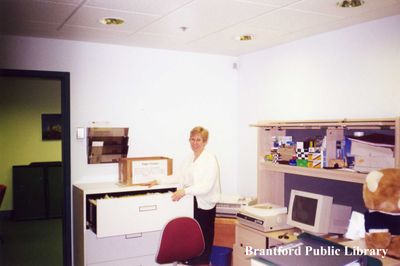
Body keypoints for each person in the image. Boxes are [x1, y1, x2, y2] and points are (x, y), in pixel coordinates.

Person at [148, 126, 221, 265]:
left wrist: (184, 191)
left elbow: (206, 186)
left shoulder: (210, 159)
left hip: (204, 204)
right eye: (192, 139)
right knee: (190, 237)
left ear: (205, 142)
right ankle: (190, 261)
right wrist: (158, 180)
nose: (195, 142)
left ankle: (202, 263)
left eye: (198, 140)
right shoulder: (189, 158)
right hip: (190, 202)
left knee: (203, 238)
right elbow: (179, 176)